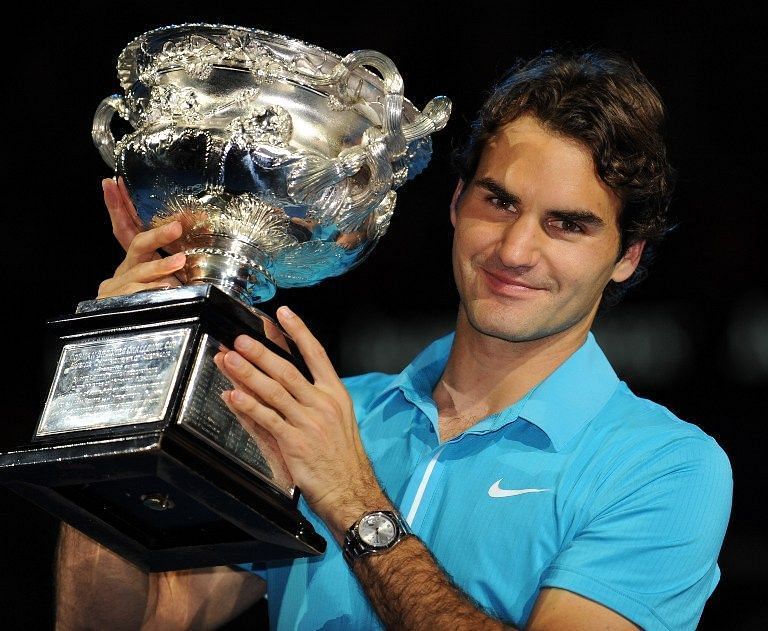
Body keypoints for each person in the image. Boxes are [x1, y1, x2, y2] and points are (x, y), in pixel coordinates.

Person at [56, 49, 732, 630]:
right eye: (498, 201)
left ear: (627, 256)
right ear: (456, 201)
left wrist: (353, 498)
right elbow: (125, 619)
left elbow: (345, 485)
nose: (516, 249)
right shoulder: (328, 418)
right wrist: (124, 363)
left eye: (567, 225)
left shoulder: (665, 467)